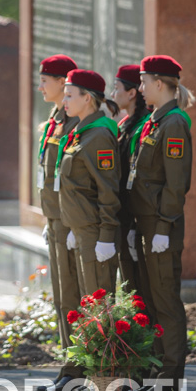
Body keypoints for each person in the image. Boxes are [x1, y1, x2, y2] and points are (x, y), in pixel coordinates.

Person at [128, 55, 195, 391]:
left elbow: (175, 183)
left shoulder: (174, 124)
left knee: (166, 301)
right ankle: (157, 372)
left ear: (158, 83)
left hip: (160, 226)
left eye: (143, 81)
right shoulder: (156, 121)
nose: (140, 88)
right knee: (153, 300)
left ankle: (169, 377)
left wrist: (164, 226)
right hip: (147, 224)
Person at [32, 54, 82, 391]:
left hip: (71, 220)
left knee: (76, 296)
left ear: (64, 82)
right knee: (63, 298)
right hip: (56, 218)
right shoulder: (55, 118)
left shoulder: (77, 120)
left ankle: (80, 369)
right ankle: (69, 367)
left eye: (46, 81)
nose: (41, 87)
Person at [57, 70, 120, 297]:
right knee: (89, 308)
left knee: (100, 310)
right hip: (82, 229)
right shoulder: (81, 132)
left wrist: (105, 236)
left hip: (94, 232)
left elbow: (108, 190)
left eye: (69, 95)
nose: (63, 101)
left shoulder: (99, 135)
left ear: (87, 98)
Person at [113, 64, 149, 292]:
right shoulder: (124, 125)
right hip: (123, 216)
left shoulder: (145, 126)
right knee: (129, 287)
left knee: (143, 285)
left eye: (116, 88)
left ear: (132, 93)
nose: (112, 95)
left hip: (139, 218)